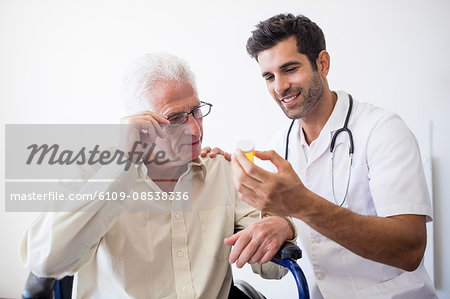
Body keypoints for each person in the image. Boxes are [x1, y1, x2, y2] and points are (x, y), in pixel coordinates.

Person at [20, 52, 295, 299]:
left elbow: (273, 269)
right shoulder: (90, 172)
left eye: (196, 111)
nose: (195, 130)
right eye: (175, 118)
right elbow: (45, 261)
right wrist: (122, 162)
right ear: (141, 123)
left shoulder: (221, 172)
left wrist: (284, 226)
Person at [227, 13, 436, 298]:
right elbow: (291, 233)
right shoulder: (283, 144)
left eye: (289, 69)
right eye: (269, 76)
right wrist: (284, 225)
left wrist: (302, 205)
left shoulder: (382, 130)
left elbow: (410, 250)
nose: (279, 87)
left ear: (322, 64)